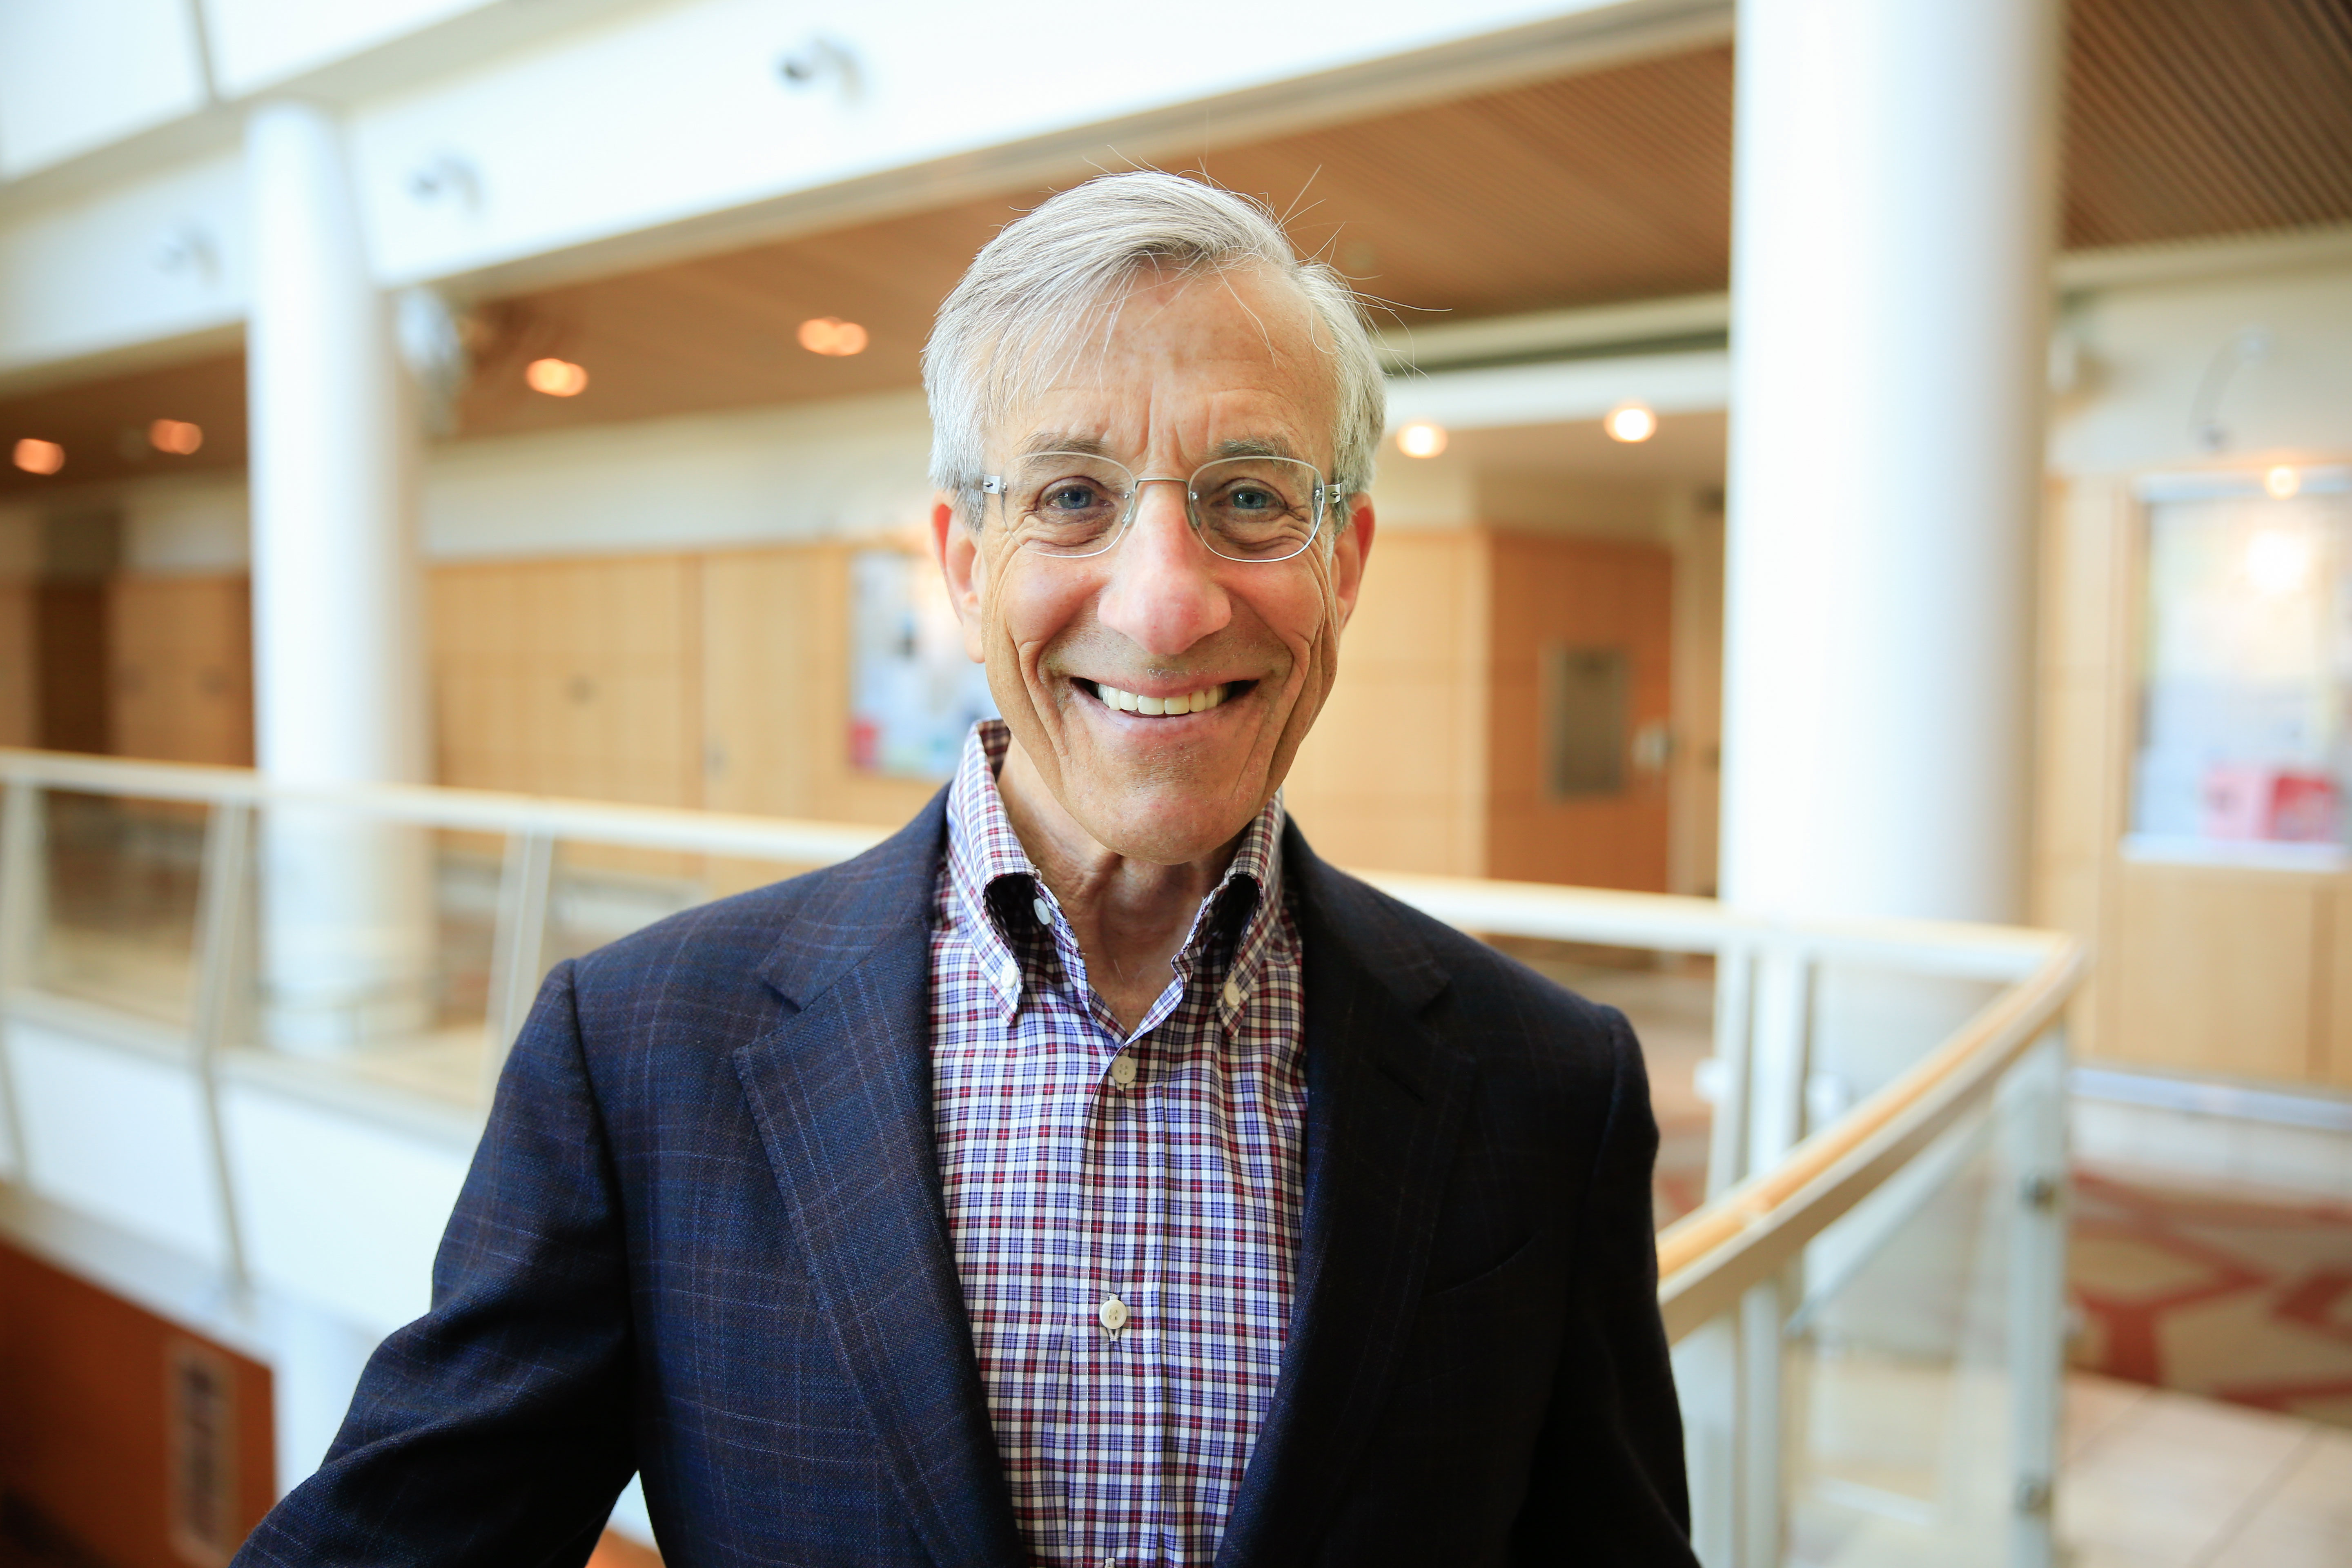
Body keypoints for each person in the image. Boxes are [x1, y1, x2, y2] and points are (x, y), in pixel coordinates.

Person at [233, 172, 1697, 1568]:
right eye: (1070, 496)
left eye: (1252, 497)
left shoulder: (1546, 1089)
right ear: (962, 558)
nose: (1168, 602)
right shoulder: (639, 1060)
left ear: (1349, 559)